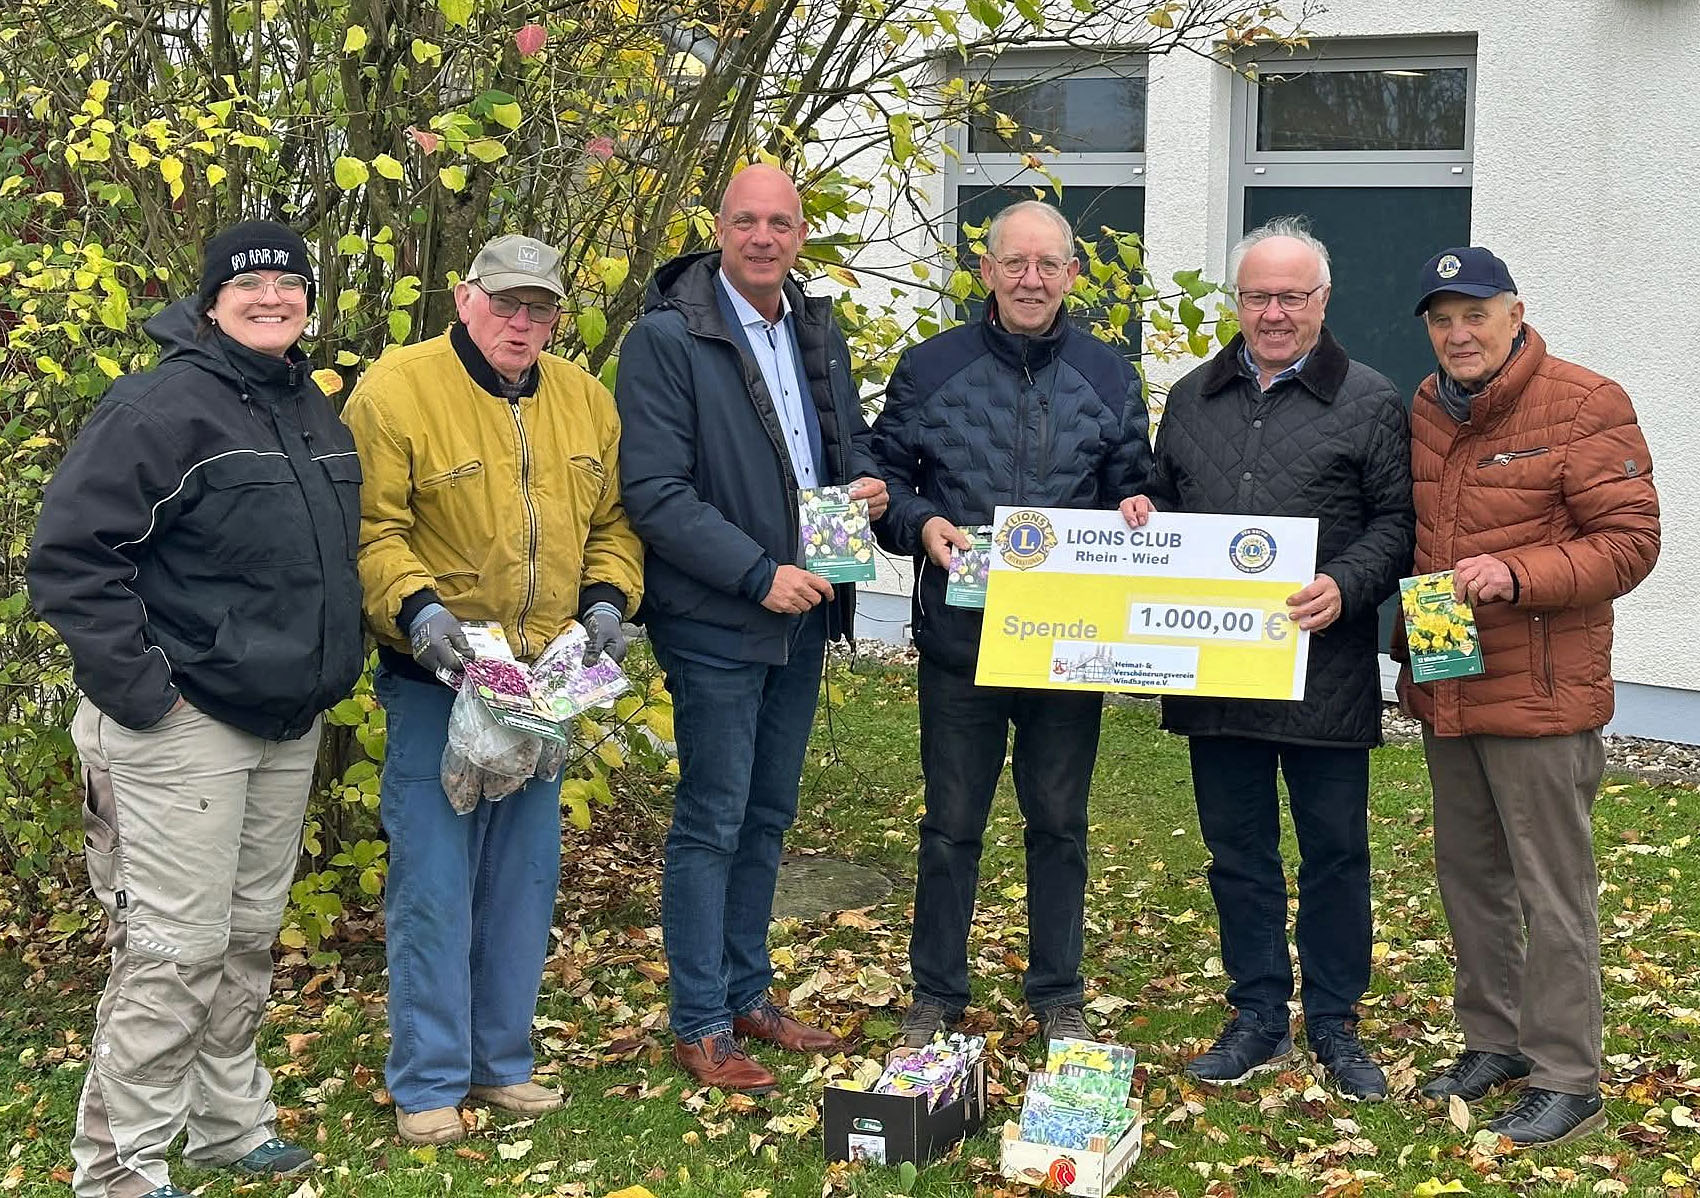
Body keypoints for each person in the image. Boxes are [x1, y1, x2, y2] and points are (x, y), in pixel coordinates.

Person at [28, 220, 364, 1194]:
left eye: (289, 285)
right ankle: (120, 1168)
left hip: (283, 723)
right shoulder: (160, 407)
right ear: (211, 302)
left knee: (247, 938)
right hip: (181, 727)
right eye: (250, 286)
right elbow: (71, 558)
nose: (272, 299)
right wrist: (146, 693)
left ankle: (224, 1124)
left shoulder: (310, 407)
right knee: (174, 953)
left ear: (308, 299)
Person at [341, 234, 643, 1145]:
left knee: (522, 878)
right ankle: (428, 1080)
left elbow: (616, 525)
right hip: (438, 683)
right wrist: (421, 616)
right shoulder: (396, 389)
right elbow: (372, 530)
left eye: (540, 308)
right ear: (465, 297)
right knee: (435, 880)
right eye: (505, 303)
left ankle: (500, 1063)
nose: (522, 323)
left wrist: (604, 604)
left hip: (543, 686)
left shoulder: (587, 401)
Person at [1121, 217, 1414, 1100]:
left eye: (1292, 295)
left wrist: (1345, 585)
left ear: (1323, 302)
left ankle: (1334, 1022)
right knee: (1236, 851)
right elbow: (1166, 498)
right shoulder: (1192, 397)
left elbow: (1398, 524)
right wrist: (1142, 510)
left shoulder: (1370, 399)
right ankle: (1257, 1013)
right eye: (1258, 295)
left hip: (1324, 673)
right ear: (1237, 302)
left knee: (1335, 853)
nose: (1274, 311)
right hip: (1220, 676)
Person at [615, 164, 887, 1094]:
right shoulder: (666, 338)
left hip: (805, 615)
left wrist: (867, 488)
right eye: (746, 222)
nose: (764, 237)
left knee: (768, 816)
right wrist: (754, 573)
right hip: (721, 618)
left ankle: (747, 996)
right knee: (712, 821)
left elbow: (836, 448)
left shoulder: (817, 329)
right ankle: (698, 1021)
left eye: (780, 223)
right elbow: (652, 491)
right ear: (719, 231)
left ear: (801, 234)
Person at [869, 200, 1152, 1050]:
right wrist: (918, 524)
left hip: (1067, 644)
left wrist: (1140, 506)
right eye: (1014, 263)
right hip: (962, 640)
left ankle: (1057, 992)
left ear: (1072, 275)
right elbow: (881, 477)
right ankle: (936, 994)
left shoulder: (1109, 373)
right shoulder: (931, 367)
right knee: (952, 823)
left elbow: (1134, 477)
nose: (1032, 279)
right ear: (986, 272)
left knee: (1059, 821)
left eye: (1048, 265)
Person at [1403, 247, 1659, 1145]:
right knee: (1471, 879)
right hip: (1450, 684)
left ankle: (1567, 1075)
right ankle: (1493, 1042)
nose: (1458, 333)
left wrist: (1517, 572)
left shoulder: (1587, 403)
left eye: (1475, 314)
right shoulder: (1429, 407)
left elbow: (1630, 542)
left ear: (1515, 315)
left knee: (1553, 891)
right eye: (1442, 319)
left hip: (1544, 694)